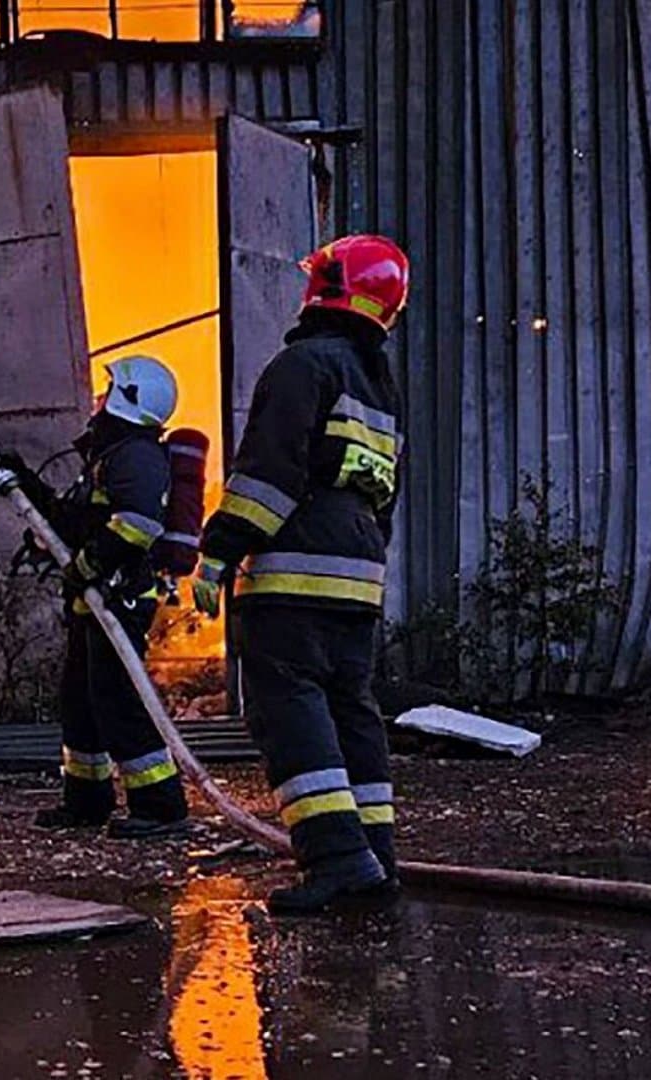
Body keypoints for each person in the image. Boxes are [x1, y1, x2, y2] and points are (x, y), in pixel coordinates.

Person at [188, 234, 409, 914]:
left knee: (291, 709)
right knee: (351, 712)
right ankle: (375, 855)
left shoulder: (302, 366)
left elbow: (269, 475)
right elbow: (384, 495)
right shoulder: (378, 386)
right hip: (357, 578)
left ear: (327, 287)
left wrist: (219, 551)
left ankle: (337, 860)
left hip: (294, 577)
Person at [36, 354, 204, 840]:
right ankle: (86, 800)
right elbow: (82, 521)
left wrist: (87, 566)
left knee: (119, 700)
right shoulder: (109, 454)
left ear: (127, 400)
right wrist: (22, 482)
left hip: (121, 596)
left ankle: (161, 806)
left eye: (109, 390)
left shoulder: (135, 455)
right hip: (97, 598)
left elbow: (138, 524)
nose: (100, 398)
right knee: (81, 700)